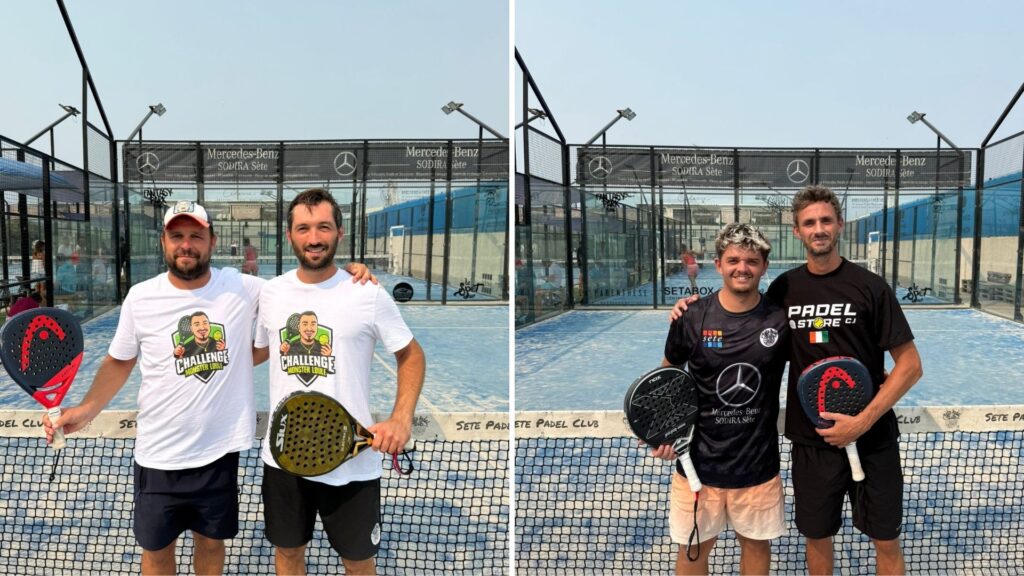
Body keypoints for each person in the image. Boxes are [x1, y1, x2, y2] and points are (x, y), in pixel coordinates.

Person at [44, 200, 375, 575]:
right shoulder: (141, 297)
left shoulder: (241, 287)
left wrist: (346, 273)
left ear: (212, 241)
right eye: (177, 236)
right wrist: (84, 413)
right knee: (156, 552)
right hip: (158, 455)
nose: (187, 244)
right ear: (164, 242)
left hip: (218, 454)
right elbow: (120, 362)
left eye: (196, 236)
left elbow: (303, 288)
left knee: (212, 545)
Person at [672, 185, 923, 574]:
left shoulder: (870, 287)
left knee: (886, 541)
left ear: (840, 224)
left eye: (825, 220)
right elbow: (745, 329)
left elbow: (910, 366)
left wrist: (862, 420)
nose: (818, 228)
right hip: (812, 442)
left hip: (873, 439)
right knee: (817, 539)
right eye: (809, 222)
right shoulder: (783, 290)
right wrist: (690, 308)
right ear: (797, 231)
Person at [255, 187, 426, 575]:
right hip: (284, 458)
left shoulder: (367, 292)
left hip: (353, 464)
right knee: (288, 555)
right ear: (289, 235)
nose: (313, 238)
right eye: (303, 228)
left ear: (339, 233)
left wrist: (401, 418)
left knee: (358, 563)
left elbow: (411, 354)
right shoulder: (271, 293)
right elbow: (256, 351)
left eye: (323, 227)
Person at [652, 223, 788, 575]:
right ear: (718, 264)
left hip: (757, 467)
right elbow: (667, 378)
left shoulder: (779, 319)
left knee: (756, 548)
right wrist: (665, 433)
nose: (742, 268)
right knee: (693, 552)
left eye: (751, 261)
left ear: (763, 266)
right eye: (733, 260)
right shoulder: (692, 316)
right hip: (698, 465)